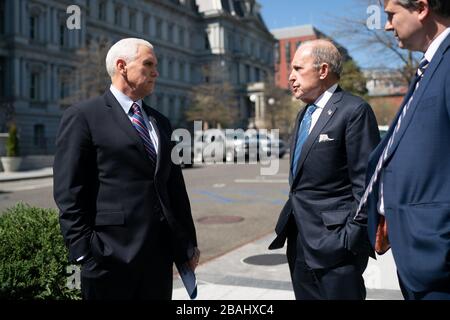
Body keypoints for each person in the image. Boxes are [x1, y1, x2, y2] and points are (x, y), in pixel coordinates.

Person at [53, 38, 200, 300]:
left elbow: (174, 188)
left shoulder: (161, 122)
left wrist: (188, 243)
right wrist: (84, 252)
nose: (156, 72)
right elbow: (68, 191)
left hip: (158, 259)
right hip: (108, 260)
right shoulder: (83, 116)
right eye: (148, 64)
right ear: (122, 66)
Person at [269, 39, 380, 300]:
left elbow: (368, 184)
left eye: (298, 69)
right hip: (299, 243)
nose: (290, 77)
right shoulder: (304, 114)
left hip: (336, 248)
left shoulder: (354, 110)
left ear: (323, 70)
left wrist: (349, 239)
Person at [355, 0, 450, 300]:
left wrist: (438, 243)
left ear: (421, 8)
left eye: (392, 15)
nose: (386, 25)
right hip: (417, 258)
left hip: (437, 260)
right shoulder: (430, 65)